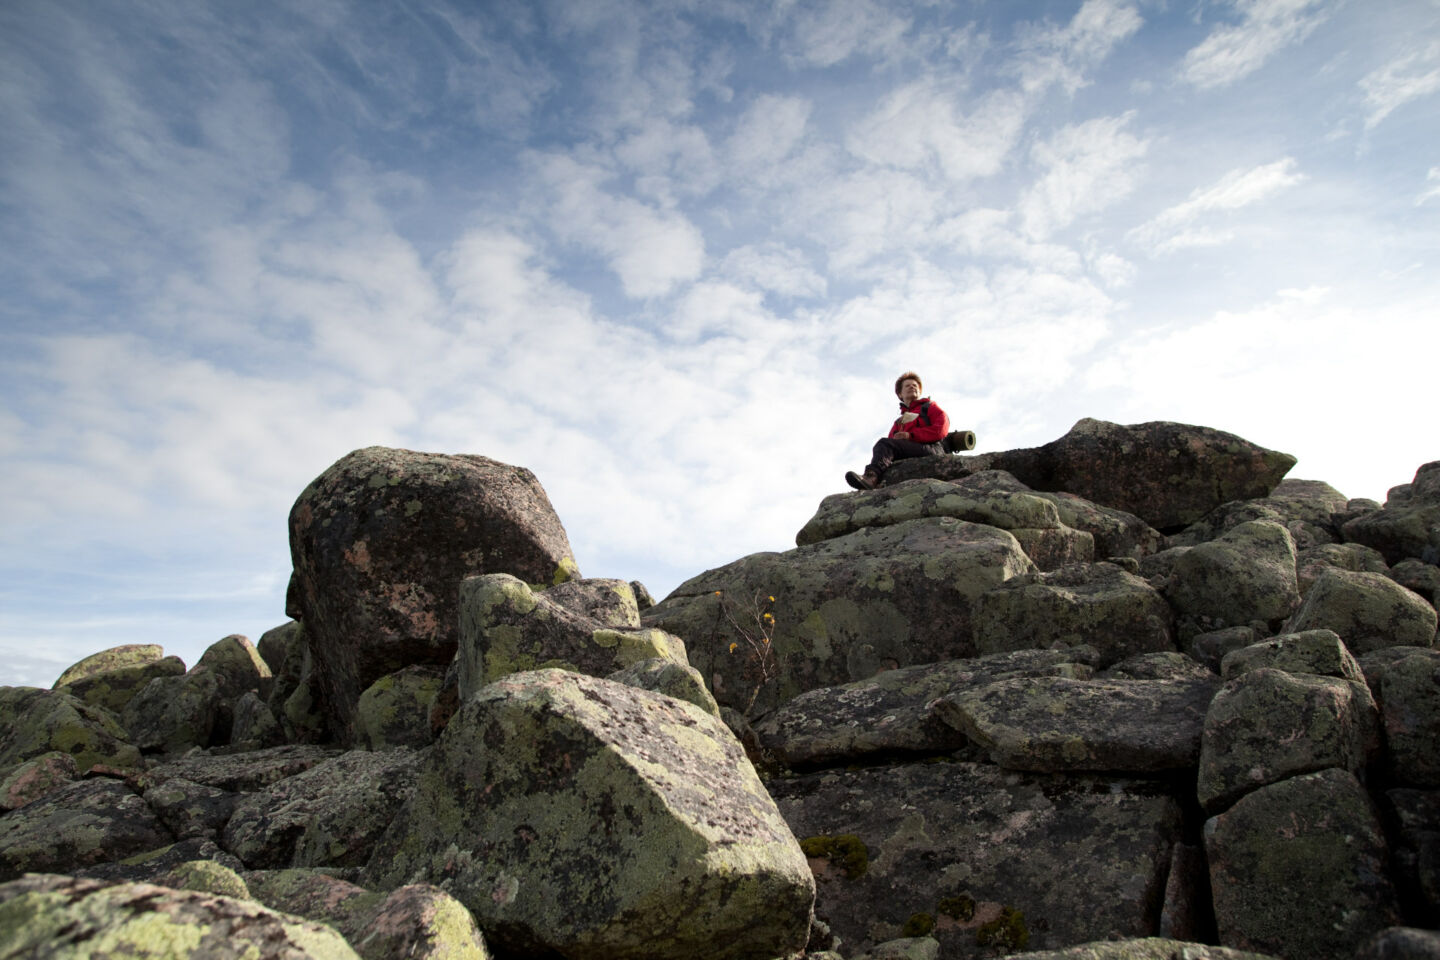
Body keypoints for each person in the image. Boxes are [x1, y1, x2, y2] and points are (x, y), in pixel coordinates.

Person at [845, 371, 950, 490]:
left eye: (915, 385)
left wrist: (910, 436)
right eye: (907, 385)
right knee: (884, 448)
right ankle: (872, 480)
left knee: (884, 443)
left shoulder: (930, 407)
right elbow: (888, 449)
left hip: (932, 449)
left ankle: (871, 477)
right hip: (914, 450)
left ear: (919, 392)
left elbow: (941, 430)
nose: (912, 386)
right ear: (900, 394)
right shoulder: (899, 422)